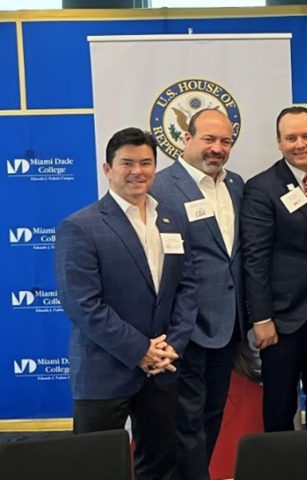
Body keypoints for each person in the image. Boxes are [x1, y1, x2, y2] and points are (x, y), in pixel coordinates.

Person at [55, 127, 198, 480]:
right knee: (94, 467)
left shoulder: (173, 219)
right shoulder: (80, 226)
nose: (138, 171)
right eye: (127, 163)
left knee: (160, 463)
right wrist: (140, 350)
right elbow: (82, 304)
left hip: (162, 369)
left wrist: (172, 345)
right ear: (108, 169)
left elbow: (187, 287)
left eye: (146, 163)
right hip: (104, 369)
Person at [150, 108, 246, 480]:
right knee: (185, 422)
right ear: (186, 138)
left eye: (225, 141)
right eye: (209, 139)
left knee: (212, 414)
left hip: (228, 325)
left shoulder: (236, 184)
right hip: (182, 327)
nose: (217, 148)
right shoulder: (159, 187)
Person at [240, 106, 307, 432]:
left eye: (306, 136)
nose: (300, 145)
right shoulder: (262, 188)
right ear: (279, 142)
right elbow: (255, 258)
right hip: (283, 317)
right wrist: (261, 319)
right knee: (280, 404)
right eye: (291, 138)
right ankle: (279, 460)